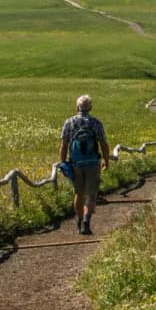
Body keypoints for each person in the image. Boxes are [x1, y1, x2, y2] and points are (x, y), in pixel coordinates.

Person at [59, 94, 109, 236]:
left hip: (76, 163)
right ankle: (87, 220)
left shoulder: (69, 122)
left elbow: (64, 145)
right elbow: (104, 144)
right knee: (91, 195)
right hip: (93, 163)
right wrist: (106, 160)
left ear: (77, 107)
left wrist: (63, 163)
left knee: (78, 194)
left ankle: (79, 220)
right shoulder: (96, 123)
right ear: (90, 107)